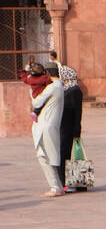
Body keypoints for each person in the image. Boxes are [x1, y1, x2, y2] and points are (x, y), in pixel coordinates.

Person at [29, 64, 65, 196]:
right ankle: (58, 186)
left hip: (46, 126)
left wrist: (31, 91)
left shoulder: (54, 87)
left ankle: (55, 187)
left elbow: (37, 102)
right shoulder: (56, 86)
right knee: (47, 155)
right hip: (47, 125)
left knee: (44, 156)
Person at [51, 50, 83, 190]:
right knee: (62, 154)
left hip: (69, 128)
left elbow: (77, 112)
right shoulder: (66, 89)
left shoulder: (74, 91)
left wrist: (77, 129)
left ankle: (66, 183)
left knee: (65, 155)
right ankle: (64, 182)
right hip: (64, 127)